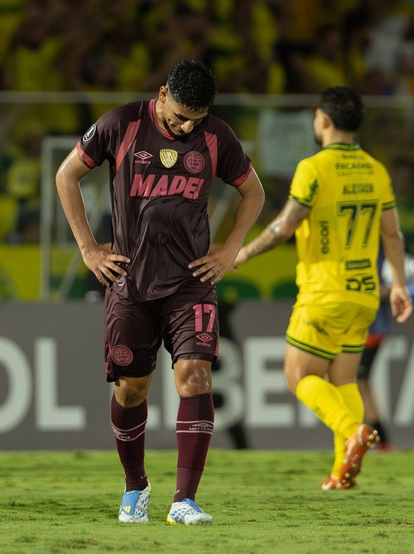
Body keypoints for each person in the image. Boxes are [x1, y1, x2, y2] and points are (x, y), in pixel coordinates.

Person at [55, 59, 265, 525]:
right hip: (129, 282)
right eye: (179, 115)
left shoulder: (217, 136)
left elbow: (254, 192)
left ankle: (184, 500)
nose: (187, 125)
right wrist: (88, 249)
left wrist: (230, 249)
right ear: (162, 92)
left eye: (197, 117)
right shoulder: (120, 123)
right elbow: (66, 175)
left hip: (192, 282)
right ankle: (135, 488)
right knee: (132, 389)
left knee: (195, 377)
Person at [234, 86, 414, 490]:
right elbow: (393, 235)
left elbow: (285, 225)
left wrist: (243, 253)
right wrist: (398, 284)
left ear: (324, 119)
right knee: (344, 380)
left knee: (298, 376)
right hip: (365, 294)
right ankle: (340, 471)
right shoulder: (376, 169)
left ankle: (353, 431)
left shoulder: (314, 168)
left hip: (324, 293)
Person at [356, 248, 414, 451]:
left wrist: (407, 286)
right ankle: (378, 438)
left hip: (372, 325)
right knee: (359, 380)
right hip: (355, 321)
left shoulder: (384, 245)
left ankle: (377, 439)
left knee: (359, 378)